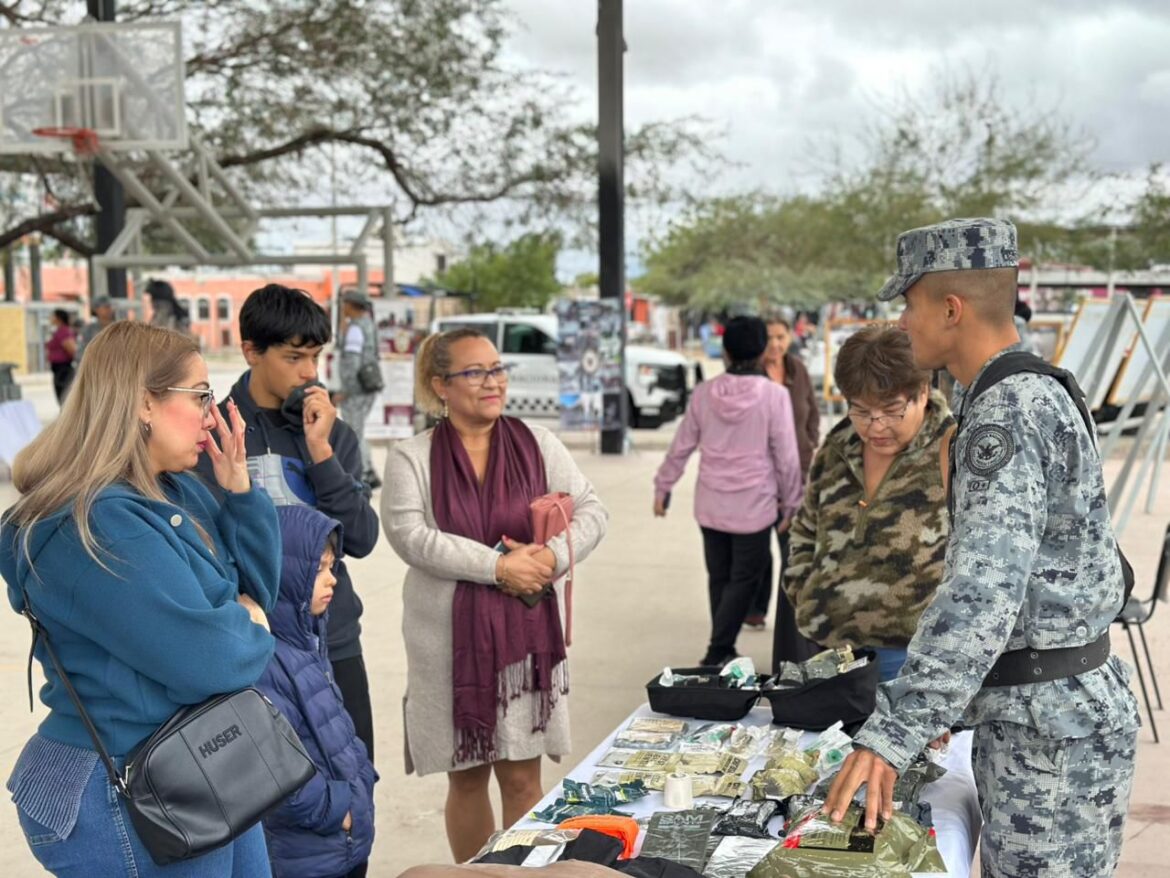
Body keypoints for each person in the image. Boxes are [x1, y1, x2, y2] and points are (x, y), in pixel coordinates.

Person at [824, 218, 1140, 877]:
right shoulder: (1022, 390)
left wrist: (891, 736)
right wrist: (948, 698)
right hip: (1051, 715)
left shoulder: (1007, 410)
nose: (902, 322)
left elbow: (983, 594)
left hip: (1050, 734)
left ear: (950, 308)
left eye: (909, 305)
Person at [1, 321, 279, 876]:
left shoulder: (173, 490)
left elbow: (261, 590)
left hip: (198, 758)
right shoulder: (95, 525)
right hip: (125, 782)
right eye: (200, 395)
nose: (212, 412)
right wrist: (245, 621)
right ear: (142, 403)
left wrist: (241, 495)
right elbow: (217, 659)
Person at [382, 328, 608, 863]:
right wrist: (498, 567)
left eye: (497, 369)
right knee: (465, 780)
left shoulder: (538, 443)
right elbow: (411, 537)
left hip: (524, 644)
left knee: (523, 780)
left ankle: (524, 875)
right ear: (440, 385)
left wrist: (551, 558)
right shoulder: (411, 457)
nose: (494, 382)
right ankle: (477, 876)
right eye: (476, 372)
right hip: (447, 644)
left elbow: (593, 510)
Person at [194, 283, 381, 763]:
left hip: (333, 638)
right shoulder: (209, 432)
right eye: (295, 357)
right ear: (251, 351)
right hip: (250, 647)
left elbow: (360, 538)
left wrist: (321, 453)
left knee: (353, 786)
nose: (309, 373)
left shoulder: (331, 432)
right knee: (267, 808)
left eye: (316, 357)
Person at [781, 327, 953, 679]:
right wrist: (804, 593)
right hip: (828, 648)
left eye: (891, 410)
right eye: (860, 410)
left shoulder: (953, 449)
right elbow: (805, 528)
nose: (875, 426)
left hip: (914, 657)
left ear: (922, 393)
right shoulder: (838, 445)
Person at [653, 316, 804, 667]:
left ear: (725, 350)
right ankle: (718, 649)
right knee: (743, 580)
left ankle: (722, 645)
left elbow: (681, 445)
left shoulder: (705, 393)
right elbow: (786, 455)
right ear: (762, 350)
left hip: (710, 504)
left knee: (720, 577)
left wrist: (664, 486)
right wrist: (792, 502)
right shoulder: (774, 395)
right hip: (754, 506)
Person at [257, 505, 377, 878]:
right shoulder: (265, 661)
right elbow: (275, 775)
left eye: (332, 567)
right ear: (284, 573)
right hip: (308, 855)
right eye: (318, 569)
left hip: (340, 845)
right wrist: (338, 811)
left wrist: (362, 783)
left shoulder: (306, 643)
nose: (333, 580)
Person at [744, 316, 819, 636]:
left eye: (781, 337)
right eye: (770, 338)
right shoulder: (751, 375)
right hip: (761, 476)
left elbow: (812, 413)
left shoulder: (797, 370)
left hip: (798, 474)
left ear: (789, 337)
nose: (775, 344)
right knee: (760, 549)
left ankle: (790, 615)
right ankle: (755, 609)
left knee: (792, 545)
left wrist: (810, 442)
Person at [335, 289, 382, 490]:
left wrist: (347, 389)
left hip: (357, 388)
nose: (343, 308)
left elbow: (352, 361)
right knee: (359, 430)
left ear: (352, 305)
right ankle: (369, 471)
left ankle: (363, 475)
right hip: (369, 384)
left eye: (345, 304)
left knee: (354, 431)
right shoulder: (369, 325)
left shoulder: (355, 329)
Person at [45, 308, 77, 404]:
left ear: (58, 318)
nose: (50, 318)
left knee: (65, 398)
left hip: (63, 370)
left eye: (53, 316)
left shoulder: (63, 331)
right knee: (62, 398)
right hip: (58, 369)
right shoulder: (58, 331)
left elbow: (72, 349)